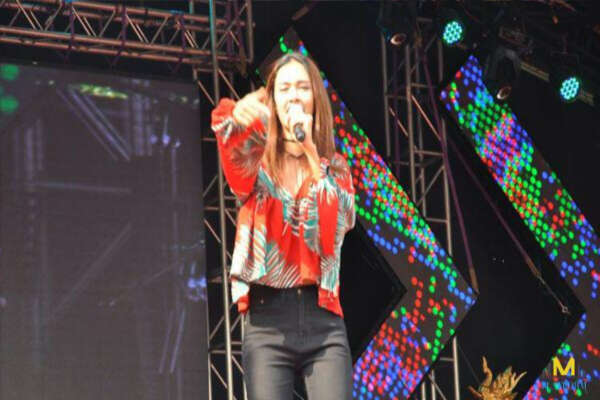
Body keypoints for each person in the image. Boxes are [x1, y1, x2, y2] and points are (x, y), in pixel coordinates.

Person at [210, 51, 356, 399]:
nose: (294, 96)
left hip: (323, 321)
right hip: (267, 323)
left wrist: (310, 151)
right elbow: (230, 145)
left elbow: (334, 227)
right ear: (273, 101)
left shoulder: (334, 167)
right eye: (285, 88)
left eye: (303, 87)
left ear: (315, 98)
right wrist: (239, 113)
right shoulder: (256, 162)